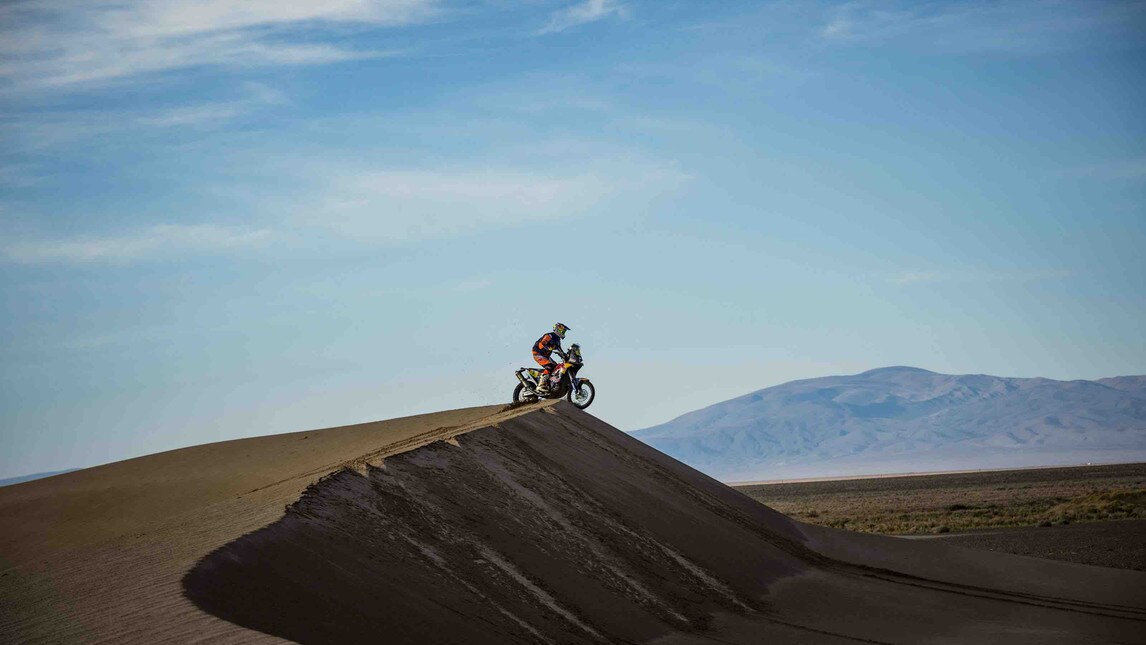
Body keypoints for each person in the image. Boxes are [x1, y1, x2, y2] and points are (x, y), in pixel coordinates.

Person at [532, 322, 570, 394]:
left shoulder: (557, 340)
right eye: (563, 330)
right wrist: (548, 348)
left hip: (545, 356)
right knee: (550, 366)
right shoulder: (550, 335)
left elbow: (560, 351)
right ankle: (541, 385)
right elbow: (541, 344)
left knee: (556, 368)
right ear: (557, 329)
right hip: (538, 353)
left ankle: (549, 384)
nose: (564, 332)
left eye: (564, 331)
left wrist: (566, 357)